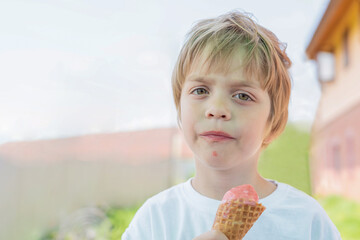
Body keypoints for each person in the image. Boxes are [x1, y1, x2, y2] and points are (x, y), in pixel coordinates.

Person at [122, 10, 341, 240]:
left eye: (242, 96)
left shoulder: (306, 220)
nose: (216, 108)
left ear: (272, 121)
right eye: (200, 91)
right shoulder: (155, 220)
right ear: (179, 106)